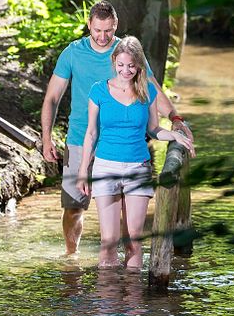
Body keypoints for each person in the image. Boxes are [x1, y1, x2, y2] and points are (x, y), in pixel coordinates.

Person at [41, 0, 192, 255]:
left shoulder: (126, 54)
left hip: (122, 144)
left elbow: (152, 88)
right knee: (74, 206)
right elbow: (52, 98)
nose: (102, 36)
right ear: (89, 25)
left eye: (108, 30)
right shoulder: (73, 53)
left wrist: (175, 119)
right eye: (97, 30)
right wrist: (47, 139)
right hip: (80, 139)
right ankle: (71, 255)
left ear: (116, 25)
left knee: (125, 209)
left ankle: (126, 264)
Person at [75, 36, 195, 268]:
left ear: (139, 65)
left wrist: (175, 134)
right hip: (105, 168)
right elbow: (90, 134)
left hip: (137, 168)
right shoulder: (98, 91)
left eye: (131, 65)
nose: (125, 70)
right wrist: (83, 170)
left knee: (133, 242)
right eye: (120, 65)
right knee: (108, 242)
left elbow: (153, 129)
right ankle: (107, 302)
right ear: (114, 62)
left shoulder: (147, 91)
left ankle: (134, 301)